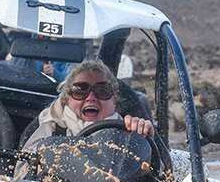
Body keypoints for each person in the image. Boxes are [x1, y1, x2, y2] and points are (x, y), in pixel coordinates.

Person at [22, 60, 153, 152]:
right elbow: (22, 173)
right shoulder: (49, 127)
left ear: (114, 99)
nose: (91, 98)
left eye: (102, 91)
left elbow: (159, 176)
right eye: (80, 90)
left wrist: (143, 139)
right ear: (67, 99)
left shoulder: (129, 133)